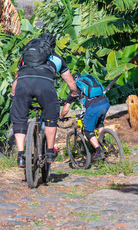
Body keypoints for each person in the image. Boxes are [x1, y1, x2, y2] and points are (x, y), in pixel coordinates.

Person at [10, 33, 78, 167]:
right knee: (50, 118)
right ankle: (50, 152)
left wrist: (13, 96)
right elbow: (70, 81)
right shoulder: (57, 59)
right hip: (45, 86)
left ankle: (21, 156)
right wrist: (73, 94)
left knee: (19, 119)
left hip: (23, 86)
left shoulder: (25, 58)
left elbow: (17, 79)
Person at [60, 72, 110, 161]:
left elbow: (65, 109)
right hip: (105, 103)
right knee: (99, 123)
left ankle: (99, 151)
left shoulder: (74, 89)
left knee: (88, 130)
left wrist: (61, 117)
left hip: (93, 107)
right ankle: (104, 144)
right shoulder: (89, 81)